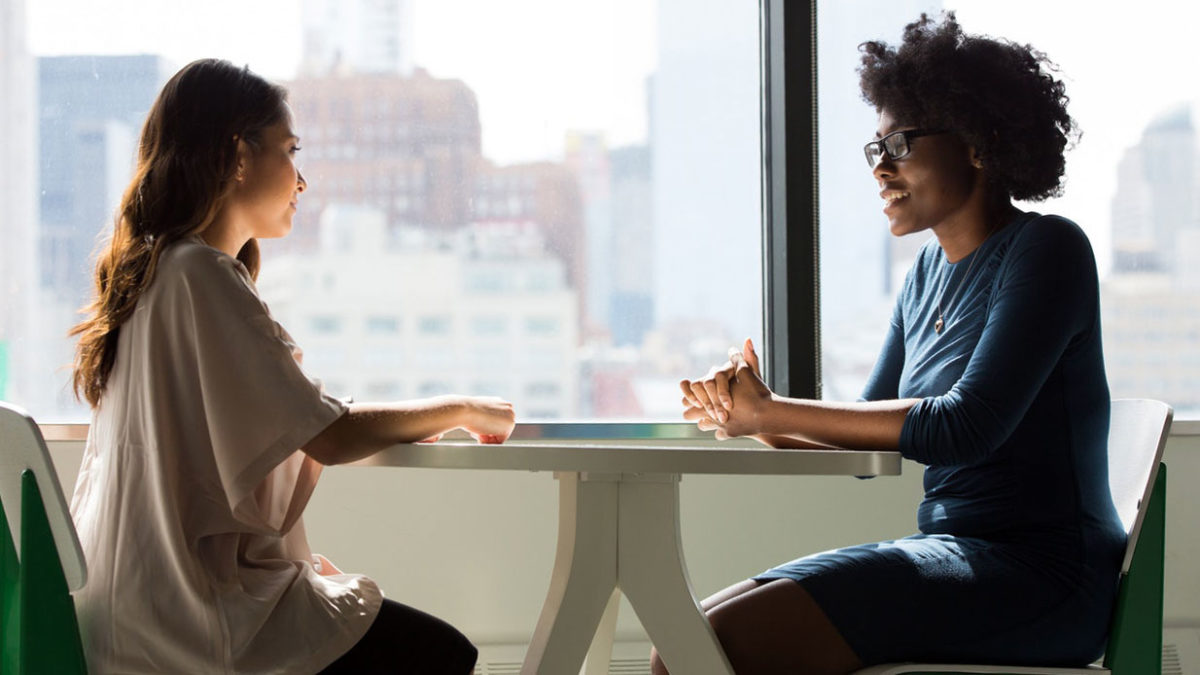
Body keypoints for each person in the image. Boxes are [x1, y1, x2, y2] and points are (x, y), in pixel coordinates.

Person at [662, 13, 1124, 675]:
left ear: (978, 144)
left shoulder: (1047, 250)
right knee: (680, 647)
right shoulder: (923, 278)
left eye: (900, 144)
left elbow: (968, 425)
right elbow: (862, 439)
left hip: (1043, 578)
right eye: (874, 150)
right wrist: (750, 419)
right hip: (956, 554)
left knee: (712, 653)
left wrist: (773, 411)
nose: (880, 168)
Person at [68, 58, 516, 674]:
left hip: (123, 609)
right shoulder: (199, 274)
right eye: (290, 150)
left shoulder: (154, 274)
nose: (302, 181)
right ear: (239, 157)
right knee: (442, 654)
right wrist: (463, 407)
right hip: (188, 619)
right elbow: (327, 434)